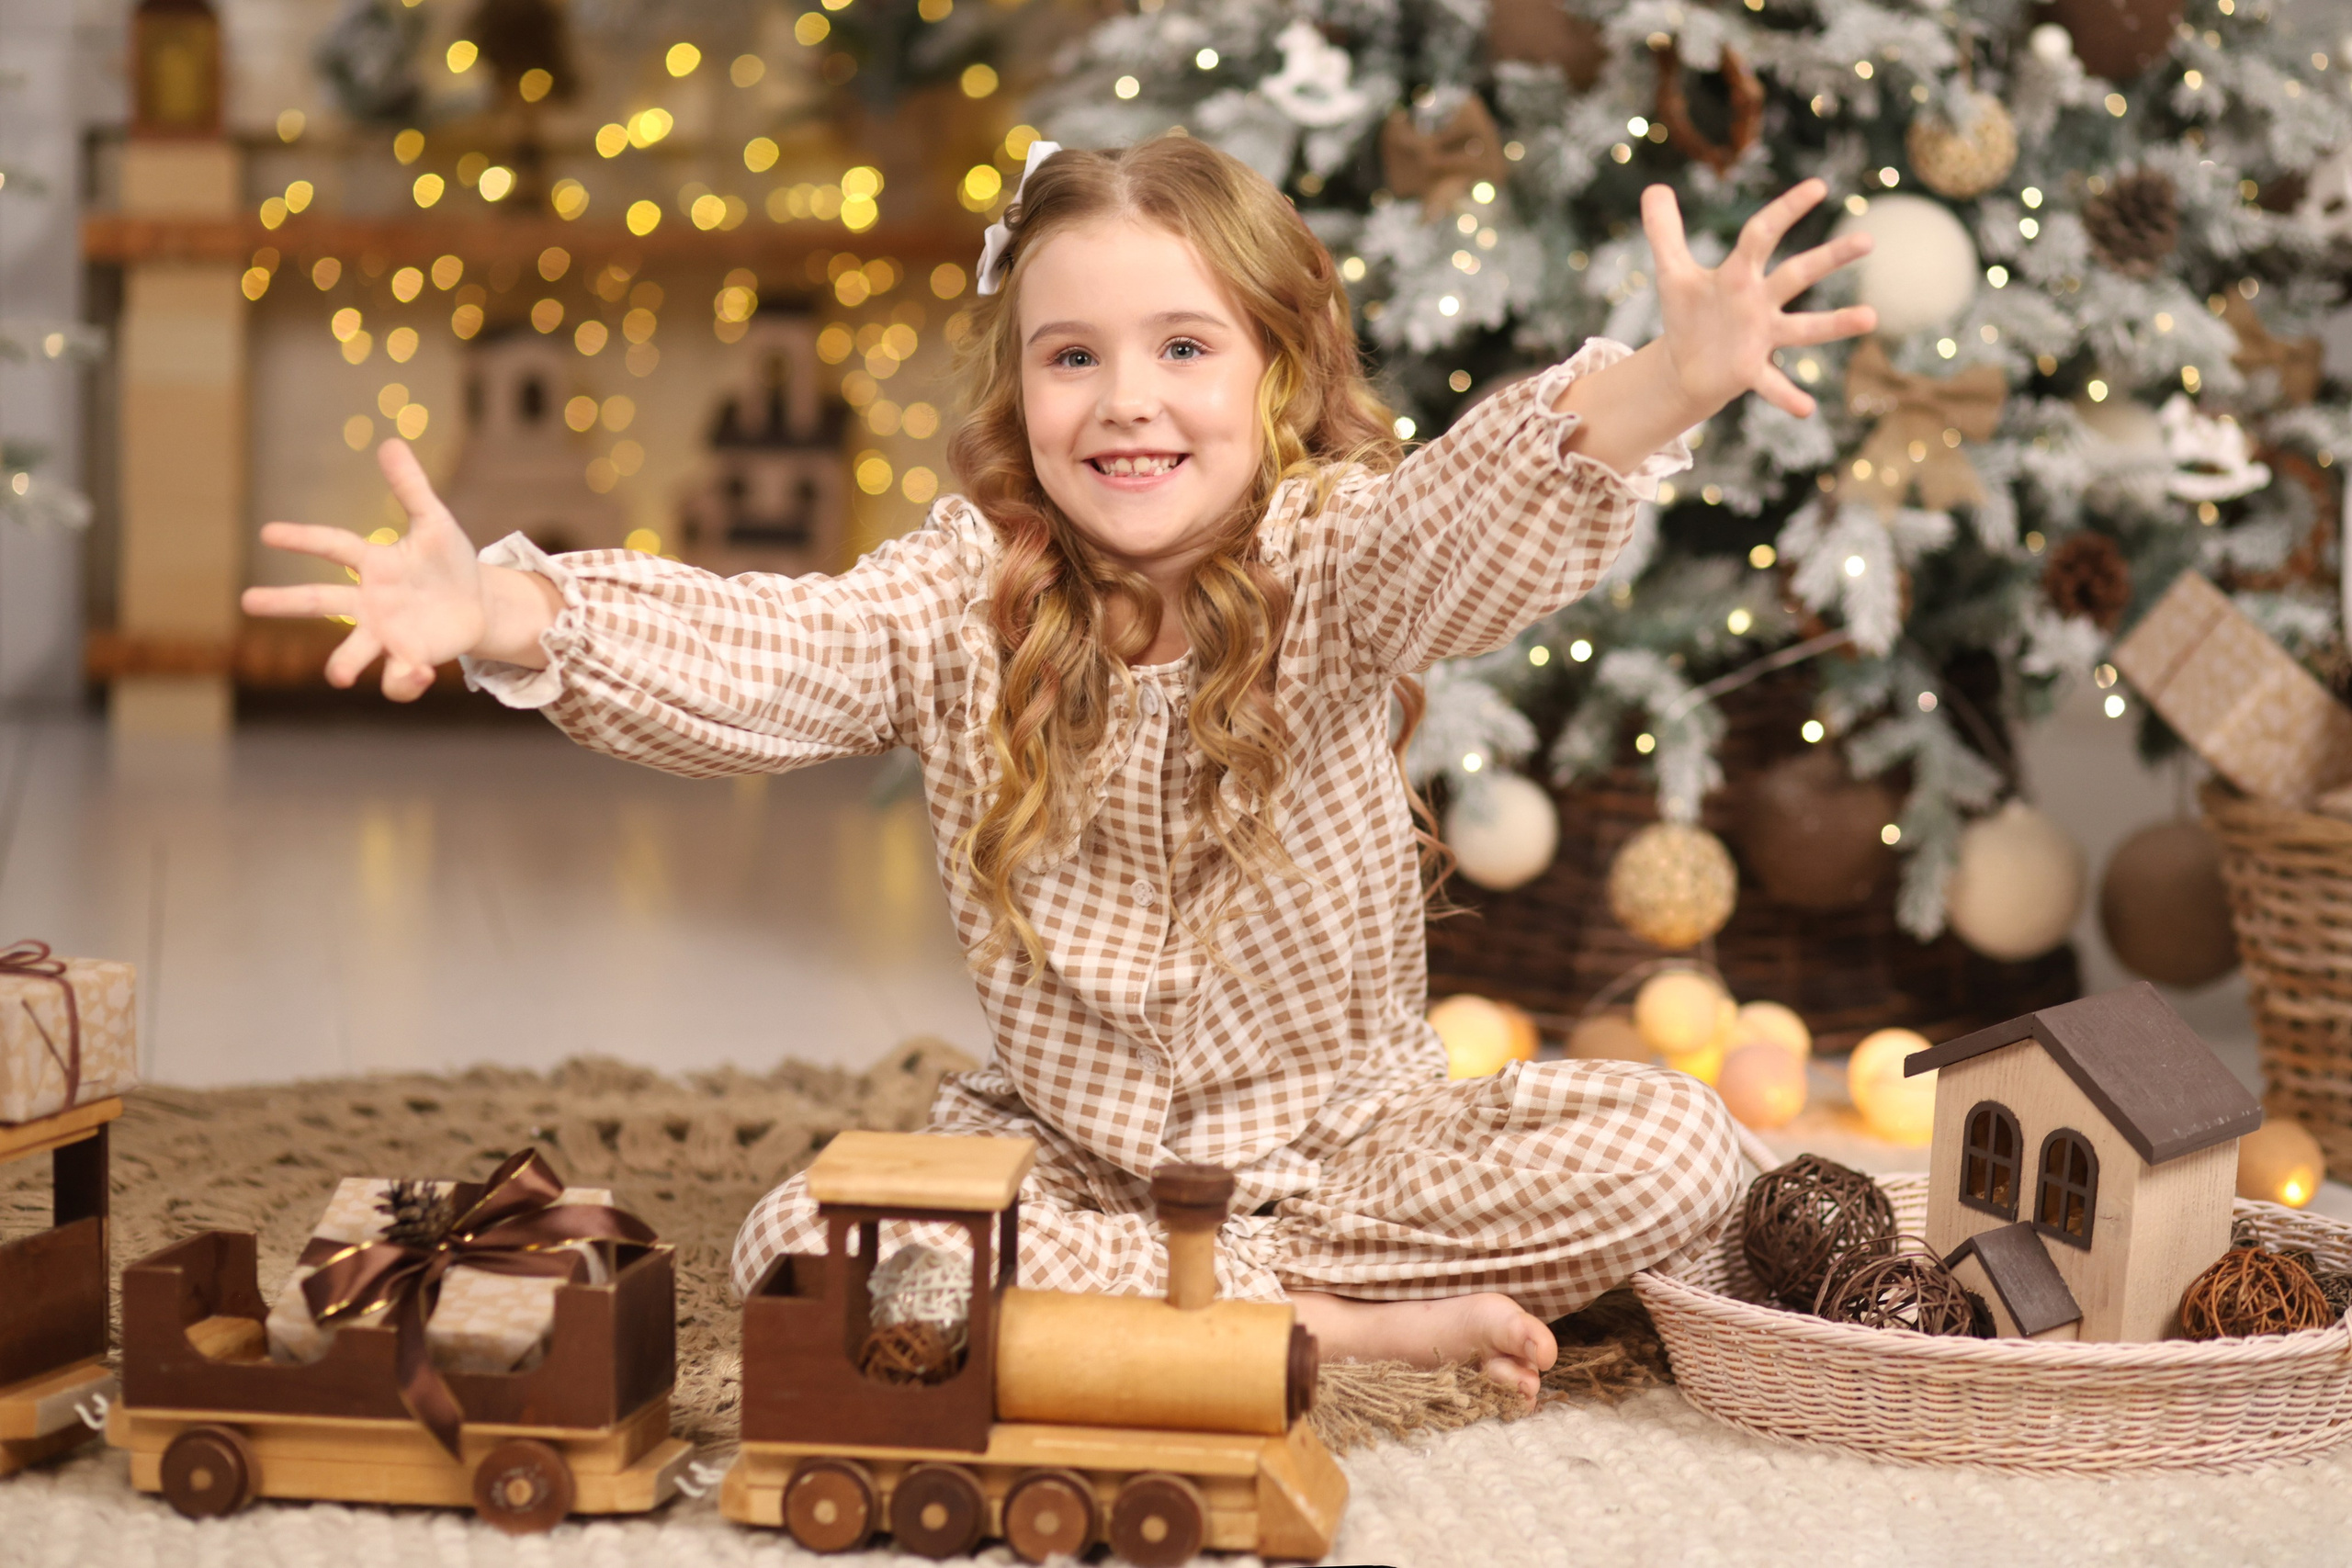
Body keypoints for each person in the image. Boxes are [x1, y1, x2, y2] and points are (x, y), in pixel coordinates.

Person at [246, 136, 1875, 1402]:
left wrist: (1666, 380)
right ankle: (1330, 1335)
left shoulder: (1336, 562)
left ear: (1277, 373)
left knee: (1674, 1152)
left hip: (1358, 1159)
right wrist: (515, 610)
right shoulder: (961, 599)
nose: (1128, 404)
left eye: (1185, 348)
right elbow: (764, 652)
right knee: (803, 1250)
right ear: (1020, 391)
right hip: (1073, 1163)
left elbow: (1475, 515)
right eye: (1072, 358)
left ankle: (1245, 1303)